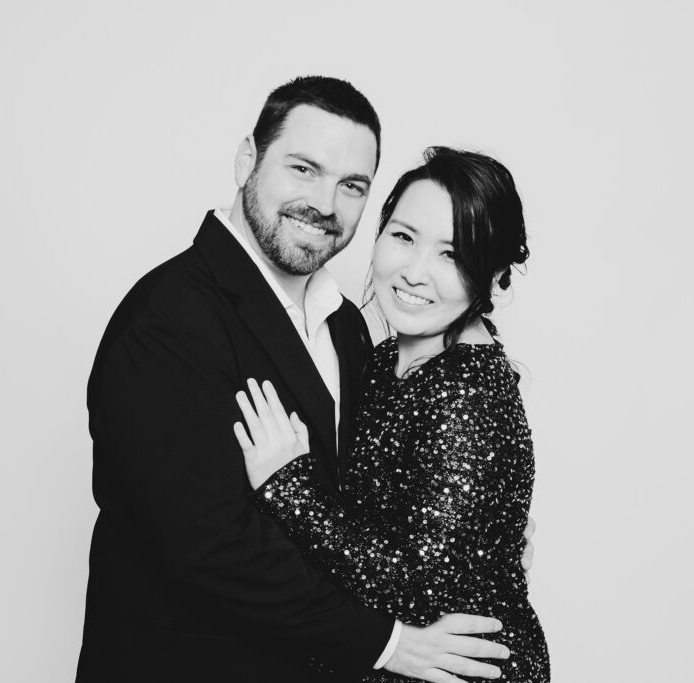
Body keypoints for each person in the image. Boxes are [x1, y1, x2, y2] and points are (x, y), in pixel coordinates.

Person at [76, 77, 511, 682]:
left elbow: (369, 508)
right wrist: (385, 643)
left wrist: (481, 549)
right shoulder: (170, 320)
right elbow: (209, 546)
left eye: (351, 186)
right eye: (304, 169)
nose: (326, 204)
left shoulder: (348, 331)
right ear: (246, 159)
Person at [235, 147, 550, 682]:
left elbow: (419, 586)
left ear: (495, 277)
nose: (414, 272)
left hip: (458, 670)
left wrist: (289, 490)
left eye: (453, 255)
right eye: (403, 237)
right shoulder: (382, 356)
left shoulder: (466, 394)